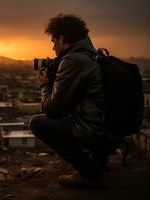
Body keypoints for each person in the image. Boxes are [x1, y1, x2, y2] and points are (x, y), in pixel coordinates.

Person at [29, 13, 111, 188]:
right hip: (107, 127)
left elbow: (52, 110)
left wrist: (44, 85)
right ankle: (100, 163)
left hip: (94, 130)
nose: (53, 49)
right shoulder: (92, 54)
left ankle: (90, 173)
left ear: (62, 38)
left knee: (37, 123)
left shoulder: (74, 60)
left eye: (53, 42)